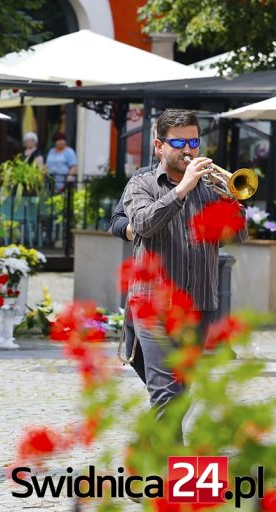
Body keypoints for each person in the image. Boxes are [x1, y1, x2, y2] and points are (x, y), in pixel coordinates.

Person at [122, 109, 247, 438]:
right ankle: (172, 478)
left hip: (200, 306)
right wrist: (181, 191)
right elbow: (144, 224)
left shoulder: (209, 189)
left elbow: (235, 236)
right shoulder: (142, 184)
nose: (188, 149)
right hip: (153, 306)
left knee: (181, 393)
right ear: (159, 145)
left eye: (193, 141)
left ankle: (152, 459)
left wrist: (232, 205)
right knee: (167, 394)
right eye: (179, 142)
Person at [108, 165, 154, 385]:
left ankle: (170, 398)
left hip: (187, 286)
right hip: (146, 281)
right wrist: (137, 227)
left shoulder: (200, 178)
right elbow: (116, 221)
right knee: (134, 352)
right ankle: (171, 397)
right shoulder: (142, 177)